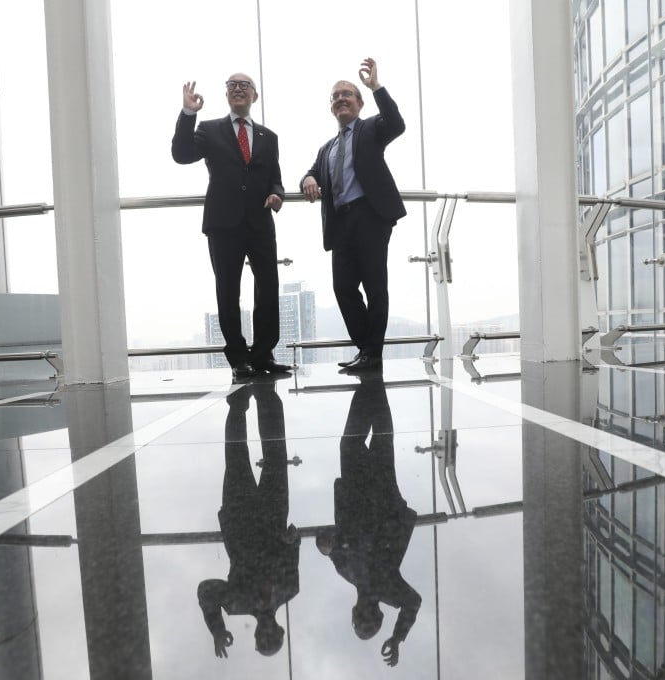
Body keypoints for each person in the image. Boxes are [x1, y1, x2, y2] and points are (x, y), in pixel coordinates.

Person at [172, 74, 291, 380]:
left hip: (261, 221)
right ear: (226, 95)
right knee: (228, 290)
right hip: (224, 222)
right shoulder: (210, 129)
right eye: (232, 85)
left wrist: (277, 193)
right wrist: (188, 114)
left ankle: (264, 354)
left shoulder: (269, 137)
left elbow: (274, 177)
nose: (238, 89)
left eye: (244, 85)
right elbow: (182, 155)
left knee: (268, 287)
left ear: (255, 95)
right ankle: (239, 358)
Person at [300, 58, 406, 373]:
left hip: (370, 216)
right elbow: (313, 171)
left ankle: (373, 353)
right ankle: (366, 349)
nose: (341, 98)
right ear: (331, 107)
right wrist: (308, 178)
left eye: (347, 94)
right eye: (336, 96)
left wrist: (376, 87)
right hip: (340, 222)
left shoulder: (371, 128)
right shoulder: (327, 148)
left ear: (359, 104)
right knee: (343, 287)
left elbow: (397, 124)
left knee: (375, 286)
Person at [316, 375, 421, 666]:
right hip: (380, 497)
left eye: (358, 619)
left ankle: (370, 382)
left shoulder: (348, 572)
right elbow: (413, 604)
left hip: (367, 495)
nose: (361, 614)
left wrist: (324, 544)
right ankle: (371, 380)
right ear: (373, 613)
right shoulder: (376, 585)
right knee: (372, 439)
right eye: (366, 619)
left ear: (354, 612)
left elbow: (327, 540)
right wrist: (398, 637)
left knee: (370, 440)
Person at [197, 382, 300, 658]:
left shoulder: (237, 603)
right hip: (271, 516)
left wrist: (217, 629)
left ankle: (243, 402)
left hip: (242, 517)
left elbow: (206, 591)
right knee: (269, 455)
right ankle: (265, 397)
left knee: (237, 455)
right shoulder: (289, 589)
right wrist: (293, 540)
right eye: (270, 636)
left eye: (261, 637)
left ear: (256, 633)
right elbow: (292, 553)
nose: (265, 632)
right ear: (279, 631)